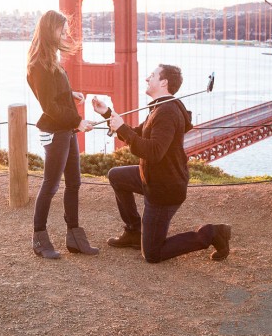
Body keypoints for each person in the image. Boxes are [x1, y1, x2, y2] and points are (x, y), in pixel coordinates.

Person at [91, 64, 231, 263]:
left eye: (152, 75)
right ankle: (133, 231)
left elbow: (154, 152)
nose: (147, 79)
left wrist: (122, 128)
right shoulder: (159, 107)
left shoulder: (166, 112)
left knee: (152, 254)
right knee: (116, 175)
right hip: (151, 177)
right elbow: (136, 134)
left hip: (164, 189)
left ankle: (212, 233)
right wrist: (107, 114)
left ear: (164, 82)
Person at [26, 10, 99, 260]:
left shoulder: (51, 60)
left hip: (65, 129)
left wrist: (72, 95)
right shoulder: (38, 65)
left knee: (74, 183)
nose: (64, 34)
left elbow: (57, 96)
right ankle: (39, 239)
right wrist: (78, 121)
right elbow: (49, 107)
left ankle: (75, 238)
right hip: (55, 130)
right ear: (50, 30)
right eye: (61, 29)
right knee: (51, 185)